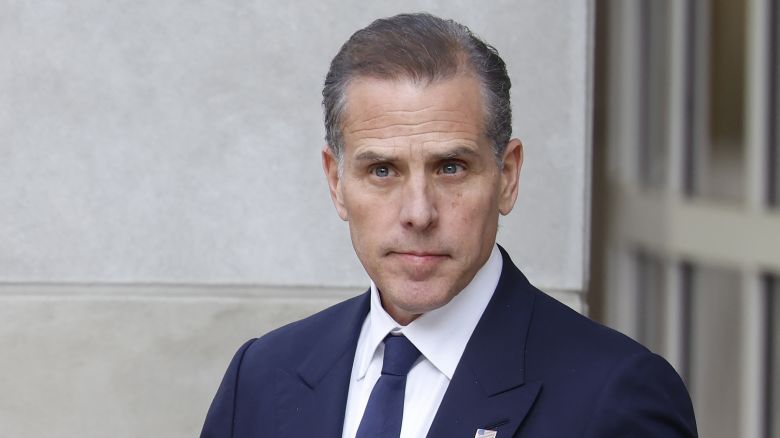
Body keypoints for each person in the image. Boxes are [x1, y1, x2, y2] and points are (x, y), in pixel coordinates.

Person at [200, 12, 697, 438]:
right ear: (336, 182)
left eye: (450, 168)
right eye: (382, 171)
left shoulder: (614, 398)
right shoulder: (262, 376)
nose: (418, 212)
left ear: (508, 175)